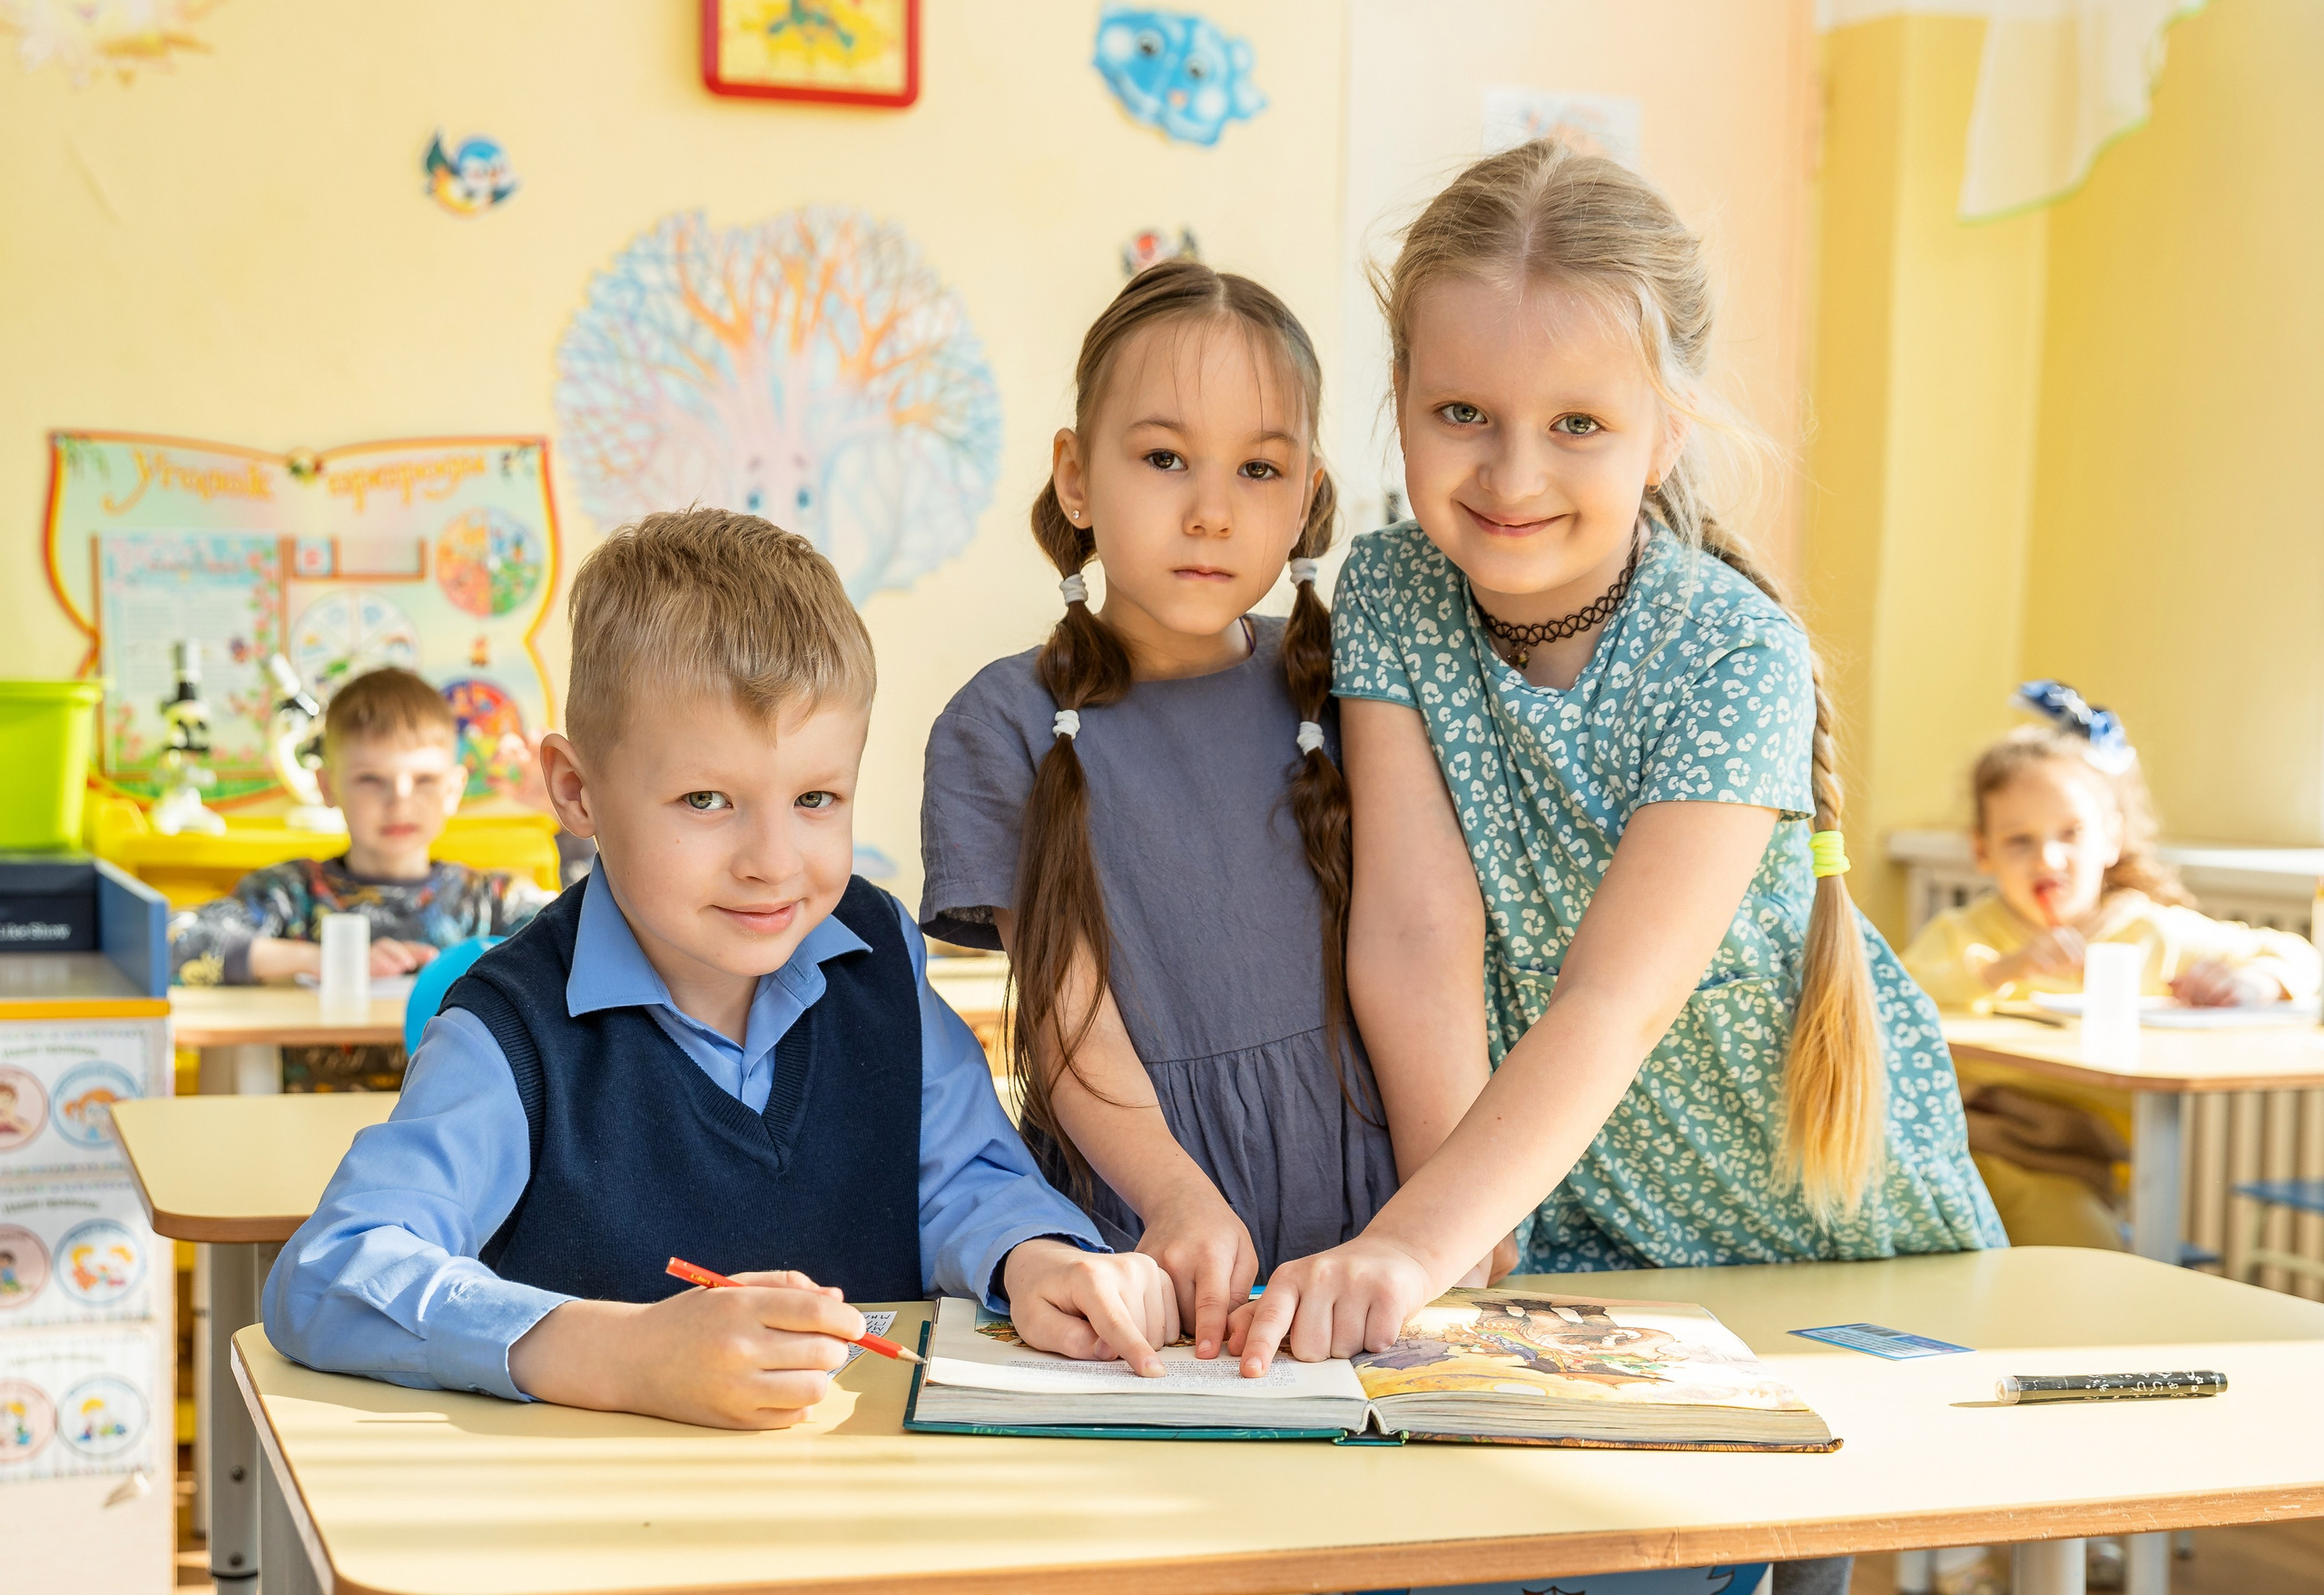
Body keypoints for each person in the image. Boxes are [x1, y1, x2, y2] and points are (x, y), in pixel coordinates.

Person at [1235, 141, 2004, 1595]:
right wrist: (1467, 1224)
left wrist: (1410, 1242)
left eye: (1577, 421)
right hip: (1577, 1221)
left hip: (1806, 1224)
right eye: (1461, 412)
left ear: (1667, 430)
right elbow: (1413, 924)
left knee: (1744, 1552)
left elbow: (1611, 1002)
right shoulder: (1397, 593)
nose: (1512, 473)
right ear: (1396, 402)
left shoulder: (1732, 656)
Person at [265, 510, 1176, 1430]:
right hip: (607, 1534)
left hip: (867, 1514)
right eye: (707, 799)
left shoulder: (875, 950)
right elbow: (332, 1271)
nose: (772, 860)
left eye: (816, 797)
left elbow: (959, 1175)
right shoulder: (510, 1033)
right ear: (577, 790)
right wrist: (623, 1353)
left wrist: (1035, 1255)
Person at [919, 261, 1401, 1364]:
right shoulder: (1002, 722)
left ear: (1308, 497)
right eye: (1163, 456)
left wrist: (1442, 1208)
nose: (1212, 508)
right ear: (1076, 478)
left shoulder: (1353, 690)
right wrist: (1178, 1201)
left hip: (1372, 1229)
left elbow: (1426, 951)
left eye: (1259, 468)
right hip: (1141, 1232)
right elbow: (1066, 1014)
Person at [1902, 683, 2320, 1248]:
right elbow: (1897, 996)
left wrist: (2253, 980)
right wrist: (2000, 970)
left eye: (2071, 833)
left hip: (2072, 1166)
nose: (2049, 858)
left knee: (2080, 1255)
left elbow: (2299, 956)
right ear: (1983, 851)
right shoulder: (1965, 934)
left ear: (2112, 839)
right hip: (1959, 1150)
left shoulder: (2149, 930)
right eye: (2019, 840)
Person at [166, 665, 551, 1090]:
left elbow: (595, 940)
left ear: (454, 788)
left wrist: (566, 816)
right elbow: (178, 941)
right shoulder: (292, 895)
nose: (400, 800)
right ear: (327, 786)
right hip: (308, 1134)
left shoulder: (488, 900)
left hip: (455, 1130)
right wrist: (329, 962)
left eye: (424, 779)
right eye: (371, 779)